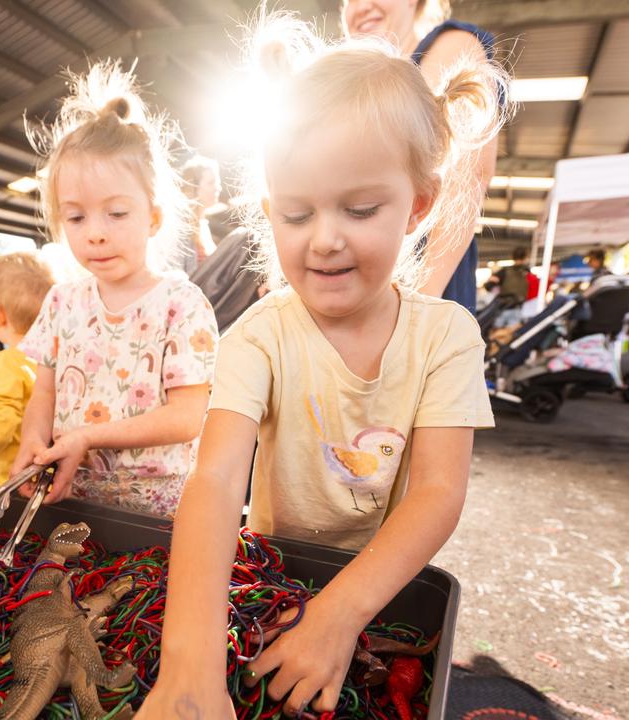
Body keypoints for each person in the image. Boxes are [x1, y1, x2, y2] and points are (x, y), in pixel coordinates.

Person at [138, 13, 502, 717]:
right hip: (271, 571)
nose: (325, 240)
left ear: (418, 206)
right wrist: (189, 665)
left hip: (386, 586)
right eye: (297, 214)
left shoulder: (447, 336)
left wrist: (339, 617)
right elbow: (213, 480)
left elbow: (436, 492)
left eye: (360, 208)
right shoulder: (259, 336)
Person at [11, 61, 219, 518]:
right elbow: (43, 395)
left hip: (158, 514)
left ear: (154, 217)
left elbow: (187, 419)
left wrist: (87, 437)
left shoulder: (181, 305)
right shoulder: (62, 302)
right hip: (72, 502)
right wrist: (32, 439)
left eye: (117, 213)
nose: (95, 234)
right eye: (77, 217)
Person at [343, 0, 502, 313]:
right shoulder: (353, 92)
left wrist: (420, 303)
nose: (362, 6)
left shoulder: (449, 46)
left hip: (418, 285)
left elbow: (467, 176)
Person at [0, 251, 56, 489]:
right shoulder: (53, 361)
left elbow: (0, 426)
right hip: (42, 476)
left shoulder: (6, 362)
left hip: (5, 480)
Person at [177, 155, 221, 275]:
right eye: (211, 183)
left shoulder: (202, 224)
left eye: (217, 182)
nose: (218, 188)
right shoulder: (183, 227)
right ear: (194, 187)